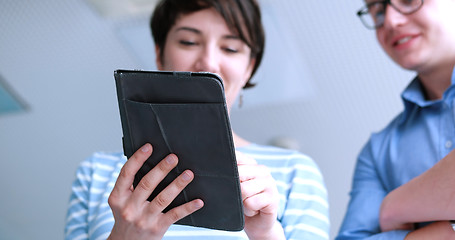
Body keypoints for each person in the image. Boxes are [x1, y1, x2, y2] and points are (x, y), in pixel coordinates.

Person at [65, 0, 330, 239]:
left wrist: (266, 234)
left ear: (249, 68)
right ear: (159, 54)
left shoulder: (294, 171)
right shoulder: (95, 172)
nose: (209, 63)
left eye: (230, 47)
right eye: (189, 42)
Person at [336, 0, 455, 239]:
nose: (391, 21)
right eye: (378, 11)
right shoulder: (378, 152)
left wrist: (394, 206)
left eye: (409, 1)